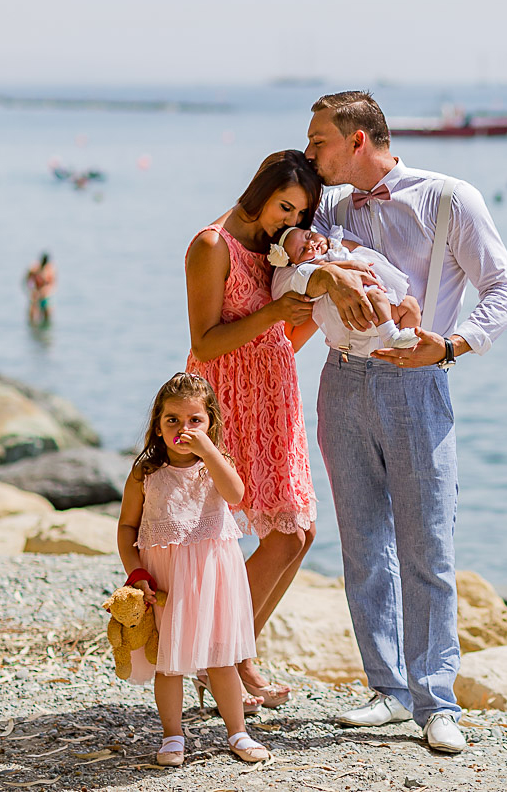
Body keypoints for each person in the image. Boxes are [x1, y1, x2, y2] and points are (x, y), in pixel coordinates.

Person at [282, 90, 507, 754]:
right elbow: (279, 257)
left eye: (319, 141)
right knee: (362, 547)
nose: (310, 153)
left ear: (357, 140)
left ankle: (436, 702)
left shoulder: (449, 198)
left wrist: (450, 345)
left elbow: (504, 290)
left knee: (428, 549)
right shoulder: (323, 204)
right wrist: (320, 274)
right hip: (340, 381)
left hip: (418, 385)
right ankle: (387, 692)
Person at [184, 150, 373, 710]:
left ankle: (235, 658)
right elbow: (205, 343)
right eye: (283, 206)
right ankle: (223, 659)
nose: (289, 220)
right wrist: (273, 315)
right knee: (283, 534)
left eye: (300, 213)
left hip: (274, 393)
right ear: (260, 189)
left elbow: (280, 339)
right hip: (228, 399)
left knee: (301, 533)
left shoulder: (277, 248)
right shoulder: (211, 244)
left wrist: (311, 308)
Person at [115, 372, 270, 766]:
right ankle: (172, 735)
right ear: (157, 425)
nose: (184, 429)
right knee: (169, 660)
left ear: (210, 423)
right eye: (173, 421)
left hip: (214, 575)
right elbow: (127, 527)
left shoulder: (215, 466)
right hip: (165, 578)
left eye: (195, 421)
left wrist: (209, 452)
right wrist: (136, 574)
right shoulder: (146, 473)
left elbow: (236, 494)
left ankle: (237, 731)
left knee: (221, 657)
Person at [270, 225, 420, 350]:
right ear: (297, 263)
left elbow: (359, 249)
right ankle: (390, 336)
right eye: (303, 250)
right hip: (362, 303)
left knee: (411, 305)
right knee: (376, 297)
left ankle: (407, 343)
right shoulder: (316, 264)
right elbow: (328, 269)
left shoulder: (335, 241)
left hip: (381, 294)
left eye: (309, 236)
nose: (310, 244)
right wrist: (351, 264)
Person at [25, 252, 57, 325]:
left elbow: (53, 284)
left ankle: (45, 332)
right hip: (35, 294)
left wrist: (46, 290)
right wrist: (32, 290)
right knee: (33, 315)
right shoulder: (34, 268)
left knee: (47, 314)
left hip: (45, 295)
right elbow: (28, 281)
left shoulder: (50, 270)